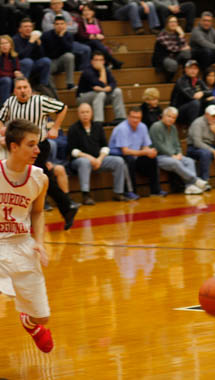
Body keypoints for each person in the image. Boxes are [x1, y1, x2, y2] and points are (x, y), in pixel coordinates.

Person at [0, 118, 53, 353]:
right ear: (14, 146)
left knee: (42, 317)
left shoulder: (40, 179)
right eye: (31, 144)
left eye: (37, 144)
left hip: (22, 244)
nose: (37, 150)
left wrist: (39, 242)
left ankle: (29, 322)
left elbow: (39, 212)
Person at [0, 77, 78, 230]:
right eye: (19, 88)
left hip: (38, 146)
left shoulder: (40, 101)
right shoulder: (10, 103)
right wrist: (2, 131)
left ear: (30, 88)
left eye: (25, 87)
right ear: (14, 91)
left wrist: (55, 127)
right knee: (41, 177)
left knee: (35, 177)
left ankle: (61, 207)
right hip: (20, 148)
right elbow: (0, 118)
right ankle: (66, 207)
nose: (23, 90)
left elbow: (62, 108)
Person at [67, 103, 138, 204]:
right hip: (79, 161)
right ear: (78, 114)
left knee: (119, 161)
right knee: (84, 162)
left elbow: (105, 147)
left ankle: (119, 192)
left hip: (98, 159)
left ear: (91, 113)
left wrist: (100, 159)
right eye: (82, 112)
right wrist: (88, 157)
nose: (85, 115)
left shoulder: (97, 126)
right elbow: (72, 150)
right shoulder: (73, 129)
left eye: (87, 112)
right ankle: (86, 195)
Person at [108, 107, 167, 197]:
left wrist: (150, 152)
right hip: (120, 155)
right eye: (133, 117)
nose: (135, 120)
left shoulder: (142, 127)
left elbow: (145, 146)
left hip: (135, 154)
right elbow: (125, 151)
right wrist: (145, 152)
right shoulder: (122, 128)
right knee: (129, 159)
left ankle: (155, 190)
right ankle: (130, 191)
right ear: (128, 117)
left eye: (138, 118)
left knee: (152, 159)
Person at [149, 107, 208, 195]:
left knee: (190, 161)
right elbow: (158, 146)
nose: (171, 119)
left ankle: (189, 186)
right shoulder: (156, 126)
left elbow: (177, 144)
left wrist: (179, 153)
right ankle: (195, 180)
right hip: (160, 156)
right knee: (175, 163)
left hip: (174, 155)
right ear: (163, 116)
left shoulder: (173, 128)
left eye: (174, 118)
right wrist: (172, 155)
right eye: (169, 116)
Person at [76, 50, 127, 125]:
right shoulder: (87, 71)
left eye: (101, 60)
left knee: (117, 91)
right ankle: (98, 121)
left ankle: (120, 118)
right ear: (91, 61)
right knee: (100, 94)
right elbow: (101, 84)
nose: (98, 62)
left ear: (104, 61)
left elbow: (113, 83)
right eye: (96, 60)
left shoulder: (106, 69)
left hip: (99, 96)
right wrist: (102, 71)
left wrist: (106, 88)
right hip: (83, 98)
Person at [41, 0, 91, 71]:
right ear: (51, 6)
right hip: (54, 43)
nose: (56, 5)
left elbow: (75, 28)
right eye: (54, 4)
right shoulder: (47, 15)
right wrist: (65, 26)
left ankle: (83, 71)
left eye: (58, 3)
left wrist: (58, 27)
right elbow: (46, 29)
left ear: (62, 5)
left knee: (86, 49)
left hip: (67, 41)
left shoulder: (66, 14)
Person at [76, 3, 123, 70]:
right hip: (84, 43)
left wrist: (98, 36)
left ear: (93, 12)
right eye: (84, 10)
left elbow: (101, 34)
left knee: (99, 46)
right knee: (96, 43)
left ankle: (109, 65)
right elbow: (82, 35)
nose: (86, 12)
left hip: (96, 44)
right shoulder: (79, 21)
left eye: (89, 10)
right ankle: (114, 62)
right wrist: (94, 36)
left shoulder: (96, 21)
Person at [170, 59, 214, 126]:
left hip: (194, 108)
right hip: (179, 112)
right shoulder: (181, 81)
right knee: (195, 103)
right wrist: (204, 98)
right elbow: (191, 96)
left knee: (214, 102)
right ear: (186, 69)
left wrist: (202, 93)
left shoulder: (198, 81)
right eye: (191, 68)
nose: (193, 71)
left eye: (195, 68)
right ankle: (193, 128)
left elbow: (209, 92)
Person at [12, 19, 52, 91]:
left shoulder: (34, 38)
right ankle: (25, 85)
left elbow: (42, 55)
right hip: (20, 65)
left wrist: (39, 45)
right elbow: (21, 56)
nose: (28, 28)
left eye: (30, 26)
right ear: (20, 29)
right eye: (25, 26)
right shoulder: (15, 39)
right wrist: (31, 42)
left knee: (46, 60)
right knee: (27, 61)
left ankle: (43, 85)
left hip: (33, 64)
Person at [152, 15, 192, 82]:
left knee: (187, 53)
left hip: (174, 56)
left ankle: (185, 75)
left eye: (175, 22)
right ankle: (168, 80)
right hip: (163, 57)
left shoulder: (177, 33)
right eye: (171, 22)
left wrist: (181, 35)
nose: (173, 24)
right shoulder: (162, 34)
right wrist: (182, 35)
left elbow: (186, 46)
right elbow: (172, 49)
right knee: (173, 64)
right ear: (167, 24)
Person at [41, 16, 76, 90]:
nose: (59, 26)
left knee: (69, 56)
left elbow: (69, 49)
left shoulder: (68, 35)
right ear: (54, 25)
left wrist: (61, 37)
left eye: (62, 24)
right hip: (50, 61)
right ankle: (52, 88)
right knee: (46, 64)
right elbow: (43, 52)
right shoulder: (46, 35)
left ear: (65, 25)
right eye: (57, 24)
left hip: (61, 62)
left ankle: (70, 84)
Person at [0, 35, 24, 105]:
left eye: (6, 43)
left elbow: (17, 69)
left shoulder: (14, 56)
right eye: (2, 43)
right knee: (6, 80)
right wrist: (13, 74)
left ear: (11, 45)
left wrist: (18, 73)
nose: (4, 46)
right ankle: (4, 106)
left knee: (21, 80)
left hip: (10, 79)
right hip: (3, 80)